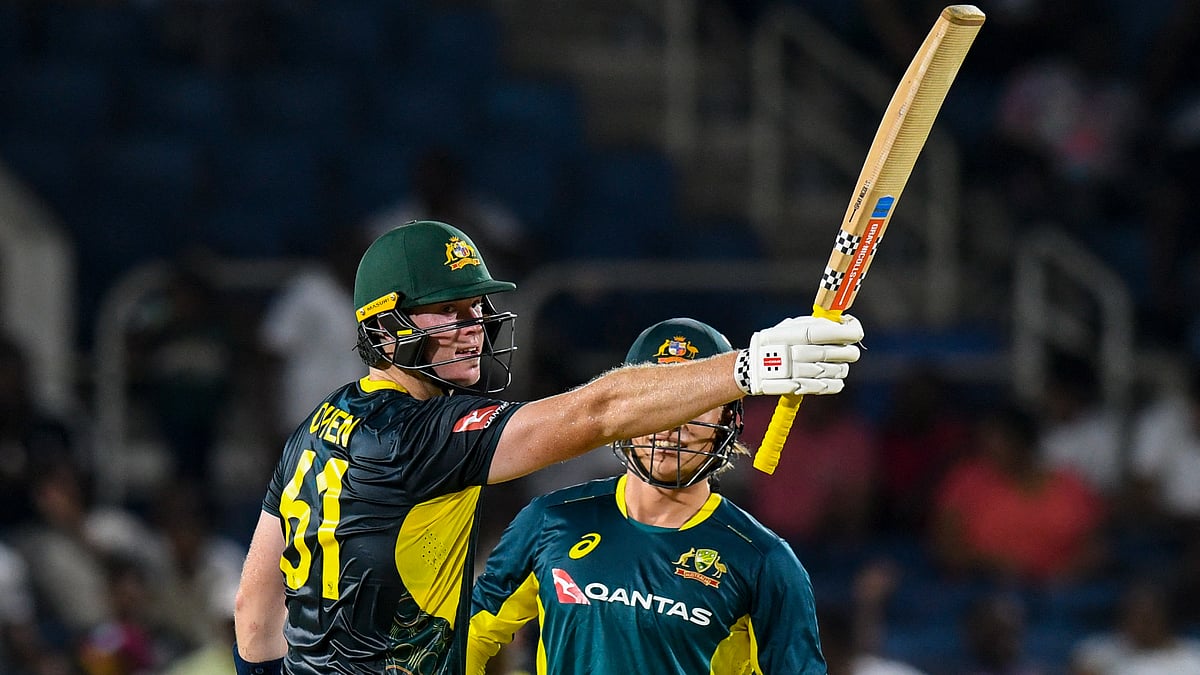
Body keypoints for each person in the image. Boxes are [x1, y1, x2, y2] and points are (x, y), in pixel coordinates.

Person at [232, 221, 865, 675]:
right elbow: (597, 412)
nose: (473, 329)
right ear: (382, 325)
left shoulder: (313, 429)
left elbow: (255, 615)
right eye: (446, 312)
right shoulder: (421, 436)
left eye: (477, 309)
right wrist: (757, 366)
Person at [468, 317, 828, 674]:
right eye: (658, 402)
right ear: (626, 410)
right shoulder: (550, 520)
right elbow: (466, 639)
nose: (671, 425)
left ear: (728, 422)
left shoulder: (764, 561)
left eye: (693, 404)